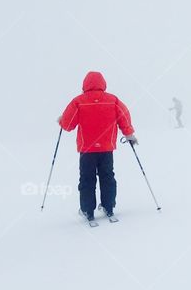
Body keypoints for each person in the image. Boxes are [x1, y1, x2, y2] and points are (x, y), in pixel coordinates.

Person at [58, 71, 137, 222]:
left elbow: (68, 125)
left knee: (87, 179)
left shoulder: (78, 101)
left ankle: (88, 210)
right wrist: (129, 134)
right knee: (108, 177)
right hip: (106, 148)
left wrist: (61, 121)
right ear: (103, 84)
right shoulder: (113, 100)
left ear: (85, 85)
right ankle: (109, 206)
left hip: (87, 149)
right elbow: (124, 117)